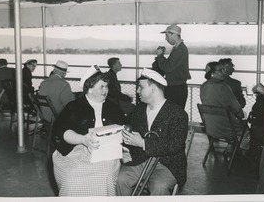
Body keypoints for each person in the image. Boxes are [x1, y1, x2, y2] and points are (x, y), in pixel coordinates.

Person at [52, 65, 127, 196]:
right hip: (76, 150)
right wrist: (83, 139)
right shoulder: (74, 106)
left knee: (104, 176)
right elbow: (63, 130)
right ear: (90, 88)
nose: (106, 90)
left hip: (107, 152)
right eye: (101, 87)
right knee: (72, 179)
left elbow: (124, 128)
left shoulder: (113, 107)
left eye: (107, 86)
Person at [116, 68, 188, 196]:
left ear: (153, 89)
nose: (137, 91)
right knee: (120, 179)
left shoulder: (178, 113)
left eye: (140, 87)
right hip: (140, 159)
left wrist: (143, 143)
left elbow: (175, 145)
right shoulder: (138, 110)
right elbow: (130, 136)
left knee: (159, 186)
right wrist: (125, 151)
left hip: (168, 164)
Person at [200, 61, 246, 156]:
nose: (224, 72)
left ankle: (230, 148)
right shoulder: (224, 87)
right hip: (227, 129)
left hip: (211, 128)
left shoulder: (203, 86)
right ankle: (243, 158)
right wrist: (242, 116)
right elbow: (237, 109)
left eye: (223, 70)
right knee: (246, 131)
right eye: (220, 70)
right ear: (212, 73)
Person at [155, 24, 191, 109]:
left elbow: (167, 68)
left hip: (176, 89)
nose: (166, 39)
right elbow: (170, 65)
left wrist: (160, 56)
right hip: (176, 87)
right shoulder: (178, 48)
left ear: (173, 34)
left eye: (167, 36)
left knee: (174, 115)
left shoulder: (180, 50)